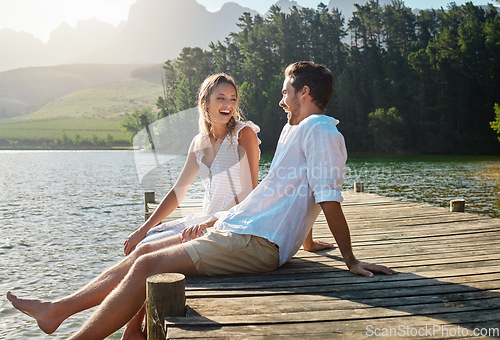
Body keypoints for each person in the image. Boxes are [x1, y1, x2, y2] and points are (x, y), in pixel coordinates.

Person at [7, 61, 397, 340]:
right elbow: (285, 193)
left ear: (304, 93)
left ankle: (74, 325)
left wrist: (350, 259)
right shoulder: (296, 130)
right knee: (143, 255)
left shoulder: (321, 131)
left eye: (285, 92)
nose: (281, 99)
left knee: (148, 265)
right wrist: (302, 240)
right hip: (243, 227)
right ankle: (58, 311)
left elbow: (327, 197)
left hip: (259, 242)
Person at [122, 73, 333, 338]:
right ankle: (133, 327)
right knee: (144, 241)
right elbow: (178, 192)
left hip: (232, 223)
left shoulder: (243, 135)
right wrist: (143, 228)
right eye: (221, 98)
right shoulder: (198, 143)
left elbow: (250, 196)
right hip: (202, 218)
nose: (228, 104)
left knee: (150, 254)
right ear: (205, 102)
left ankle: (131, 329)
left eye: (232, 99)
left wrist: (307, 240)